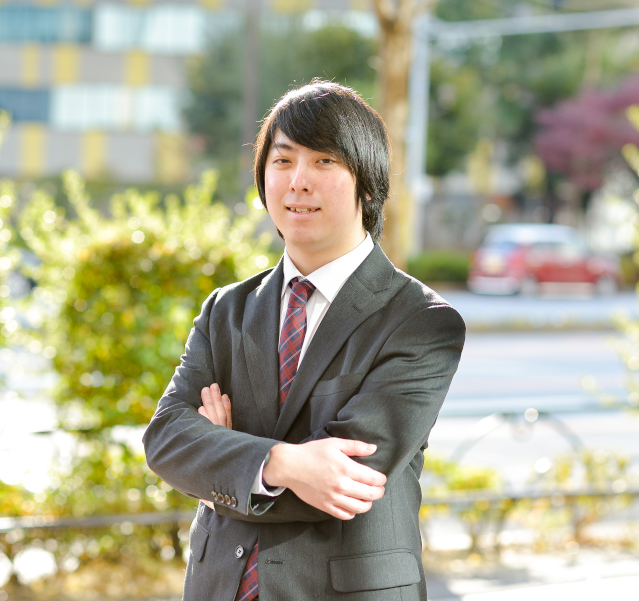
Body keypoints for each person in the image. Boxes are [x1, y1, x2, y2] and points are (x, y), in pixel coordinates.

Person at [142, 80, 465, 601]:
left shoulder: (420, 321)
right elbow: (166, 439)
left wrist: (223, 460)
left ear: (367, 182)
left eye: (324, 161)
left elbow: (347, 480)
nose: (298, 181)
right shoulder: (227, 310)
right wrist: (283, 464)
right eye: (283, 160)